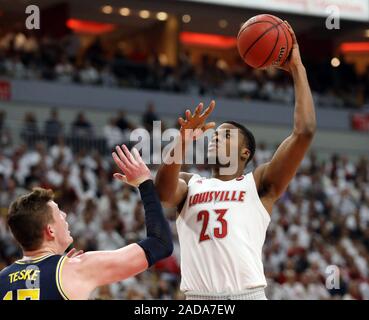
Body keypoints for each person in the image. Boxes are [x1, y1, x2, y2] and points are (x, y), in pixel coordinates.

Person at [154, 21, 316, 300]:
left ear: (245, 152)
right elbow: (162, 193)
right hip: (198, 299)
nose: (216, 138)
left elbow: (304, 132)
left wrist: (297, 69)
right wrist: (181, 142)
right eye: (215, 134)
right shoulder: (191, 184)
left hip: (247, 294)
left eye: (226, 135)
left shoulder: (259, 183)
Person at [0, 145, 173, 300]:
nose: (65, 215)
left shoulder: (2, 278)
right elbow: (160, 243)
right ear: (50, 230)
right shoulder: (77, 269)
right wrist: (145, 184)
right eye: (59, 213)